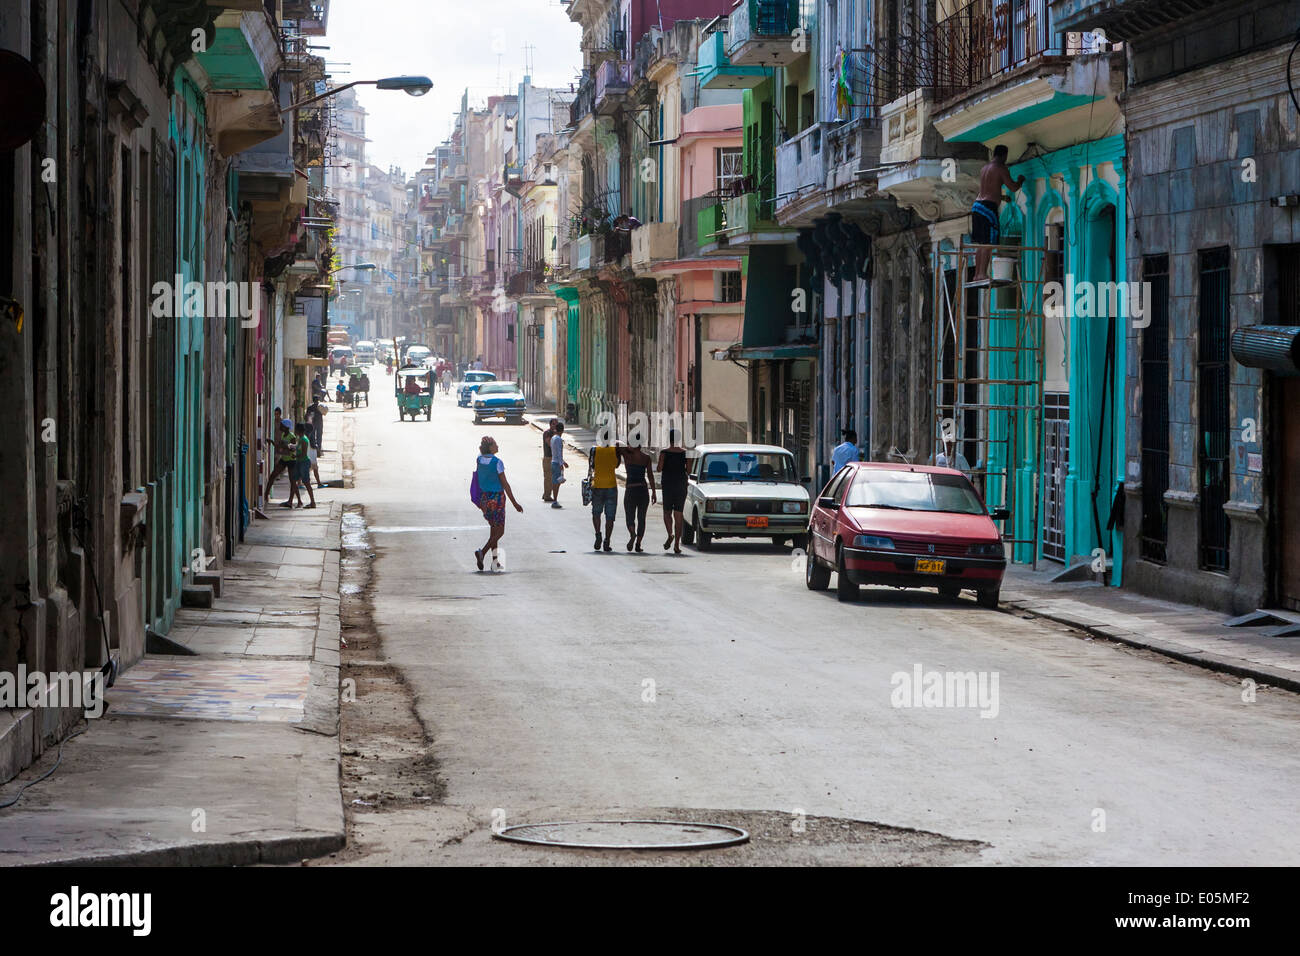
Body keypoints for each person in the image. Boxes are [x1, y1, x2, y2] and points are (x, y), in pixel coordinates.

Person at [971, 144, 1025, 282]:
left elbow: (988, 190)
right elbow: (1013, 187)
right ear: (1004, 155)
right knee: (989, 243)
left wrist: (1001, 198)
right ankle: (982, 274)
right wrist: (1020, 180)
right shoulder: (1001, 168)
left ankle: (977, 274)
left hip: (977, 206)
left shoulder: (985, 168)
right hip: (988, 209)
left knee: (981, 243)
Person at [473, 436, 523, 572]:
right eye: (495, 444)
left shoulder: (479, 460)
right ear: (490, 447)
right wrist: (515, 503)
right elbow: (505, 484)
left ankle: (495, 561)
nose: (497, 446)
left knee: (493, 530)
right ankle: (482, 552)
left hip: (485, 499)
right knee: (500, 531)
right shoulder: (497, 462)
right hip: (497, 499)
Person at [658, 430, 689, 554]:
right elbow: (689, 470)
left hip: (668, 485)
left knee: (667, 512)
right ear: (679, 439)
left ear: (669, 439)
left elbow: (659, 468)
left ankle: (670, 534)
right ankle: (676, 545)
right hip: (681, 485)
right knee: (679, 514)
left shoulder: (664, 453)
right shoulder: (685, 453)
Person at [621, 442, 657, 552]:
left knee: (629, 516)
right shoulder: (646, 458)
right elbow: (650, 476)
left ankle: (632, 534)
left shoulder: (628, 456)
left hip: (631, 489)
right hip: (643, 490)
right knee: (642, 518)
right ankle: (638, 544)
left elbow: (617, 445)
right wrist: (654, 492)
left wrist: (627, 448)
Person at [589, 439, 620, 552]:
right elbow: (617, 465)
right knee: (610, 516)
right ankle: (607, 541)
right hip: (611, 485)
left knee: (596, 513)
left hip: (598, 485)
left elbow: (592, 466)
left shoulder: (594, 450)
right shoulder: (614, 450)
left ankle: (598, 535)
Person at [291, 422, 316, 509]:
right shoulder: (300, 439)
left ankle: (313, 502)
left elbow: (304, 454)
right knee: (294, 481)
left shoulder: (304, 440)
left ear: (298, 430)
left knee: (306, 482)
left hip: (304, 463)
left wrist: (295, 456)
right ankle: (299, 501)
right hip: (299, 462)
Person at [549, 420, 568, 508]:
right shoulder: (558, 439)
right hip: (556, 463)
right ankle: (555, 500)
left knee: (555, 482)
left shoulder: (553, 438)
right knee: (557, 483)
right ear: (562, 430)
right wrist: (561, 464)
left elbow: (555, 452)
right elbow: (559, 453)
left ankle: (555, 499)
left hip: (553, 461)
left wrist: (563, 462)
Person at [541, 417, 558, 502]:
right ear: (550, 425)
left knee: (552, 478)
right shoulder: (547, 433)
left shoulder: (555, 434)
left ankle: (546, 493)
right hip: (548, 458)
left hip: (553, 458)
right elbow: (550, 444)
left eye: (556, 424)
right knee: (548, 477)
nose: (555, 426)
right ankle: (547, 495)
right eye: (553, 424)